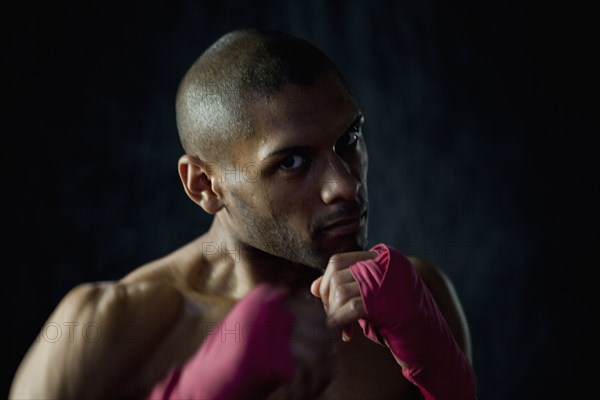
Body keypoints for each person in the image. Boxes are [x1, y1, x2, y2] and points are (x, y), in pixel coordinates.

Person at [9, 28, 476, 399]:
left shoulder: (415, 296)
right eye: (291, 161)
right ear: (204, 185)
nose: (345, 185)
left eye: (348, 140)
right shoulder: (105, 330)